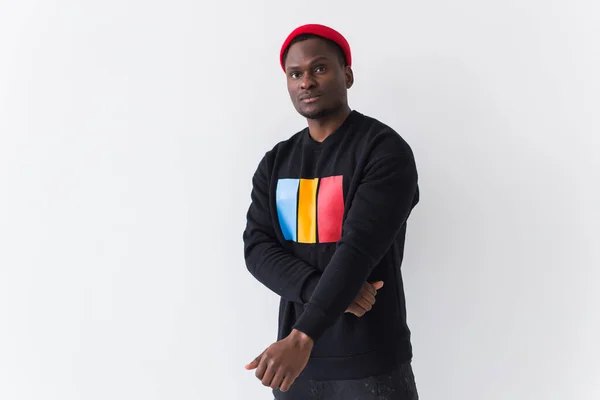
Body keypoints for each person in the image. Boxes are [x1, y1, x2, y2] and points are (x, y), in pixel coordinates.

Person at [243, 23, 420, 400]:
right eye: (295, 73)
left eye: (319, 68)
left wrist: (303, 334)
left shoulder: (384, 151)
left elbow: (359, 248)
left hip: (369, 364)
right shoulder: (276, 162)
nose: (306, 81)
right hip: (294, 366)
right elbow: (257, 249)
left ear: (348, 75)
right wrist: (318, 291)